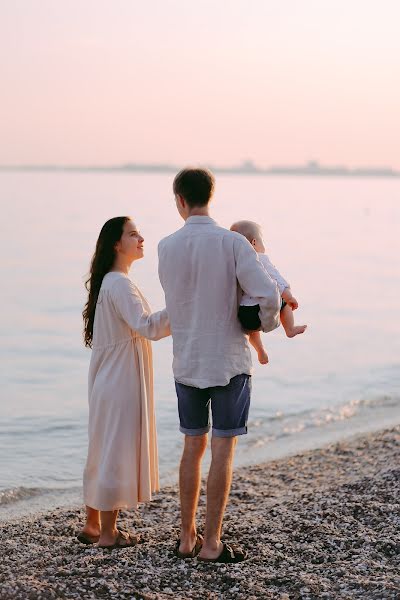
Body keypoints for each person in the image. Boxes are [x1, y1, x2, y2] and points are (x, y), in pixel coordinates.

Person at [158, 168, 281, 563]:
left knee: (192, 447)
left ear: (179, 199)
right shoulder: (232, 242)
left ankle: (185, 539)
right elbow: (268, 293)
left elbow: (178, 301)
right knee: (222, 451)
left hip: (187, 361)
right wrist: (262, 324)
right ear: (211, 195)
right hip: (229, 361)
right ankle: (212, 543)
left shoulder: (165, 246)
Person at [78, 216, 170, 549]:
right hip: (119, 381)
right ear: (118, 244)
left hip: (107, 379)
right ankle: (108, 534)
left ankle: (92, 525)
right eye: (133, 234)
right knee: (114, 453)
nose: (141, 238)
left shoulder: (110, 282)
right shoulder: (119, 283)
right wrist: (183, 307)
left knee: (102, 450)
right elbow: (147, 326)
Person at [230, 220, 307, 365]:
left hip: (244, 314)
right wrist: (289, 297)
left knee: (252, 330)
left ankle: (260, 350)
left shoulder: (234, 262)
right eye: (262, 241)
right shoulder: (260, 259)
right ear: (254, 243)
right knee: (284, 303)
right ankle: (290, 329)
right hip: (259, 309)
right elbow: (277, 280)